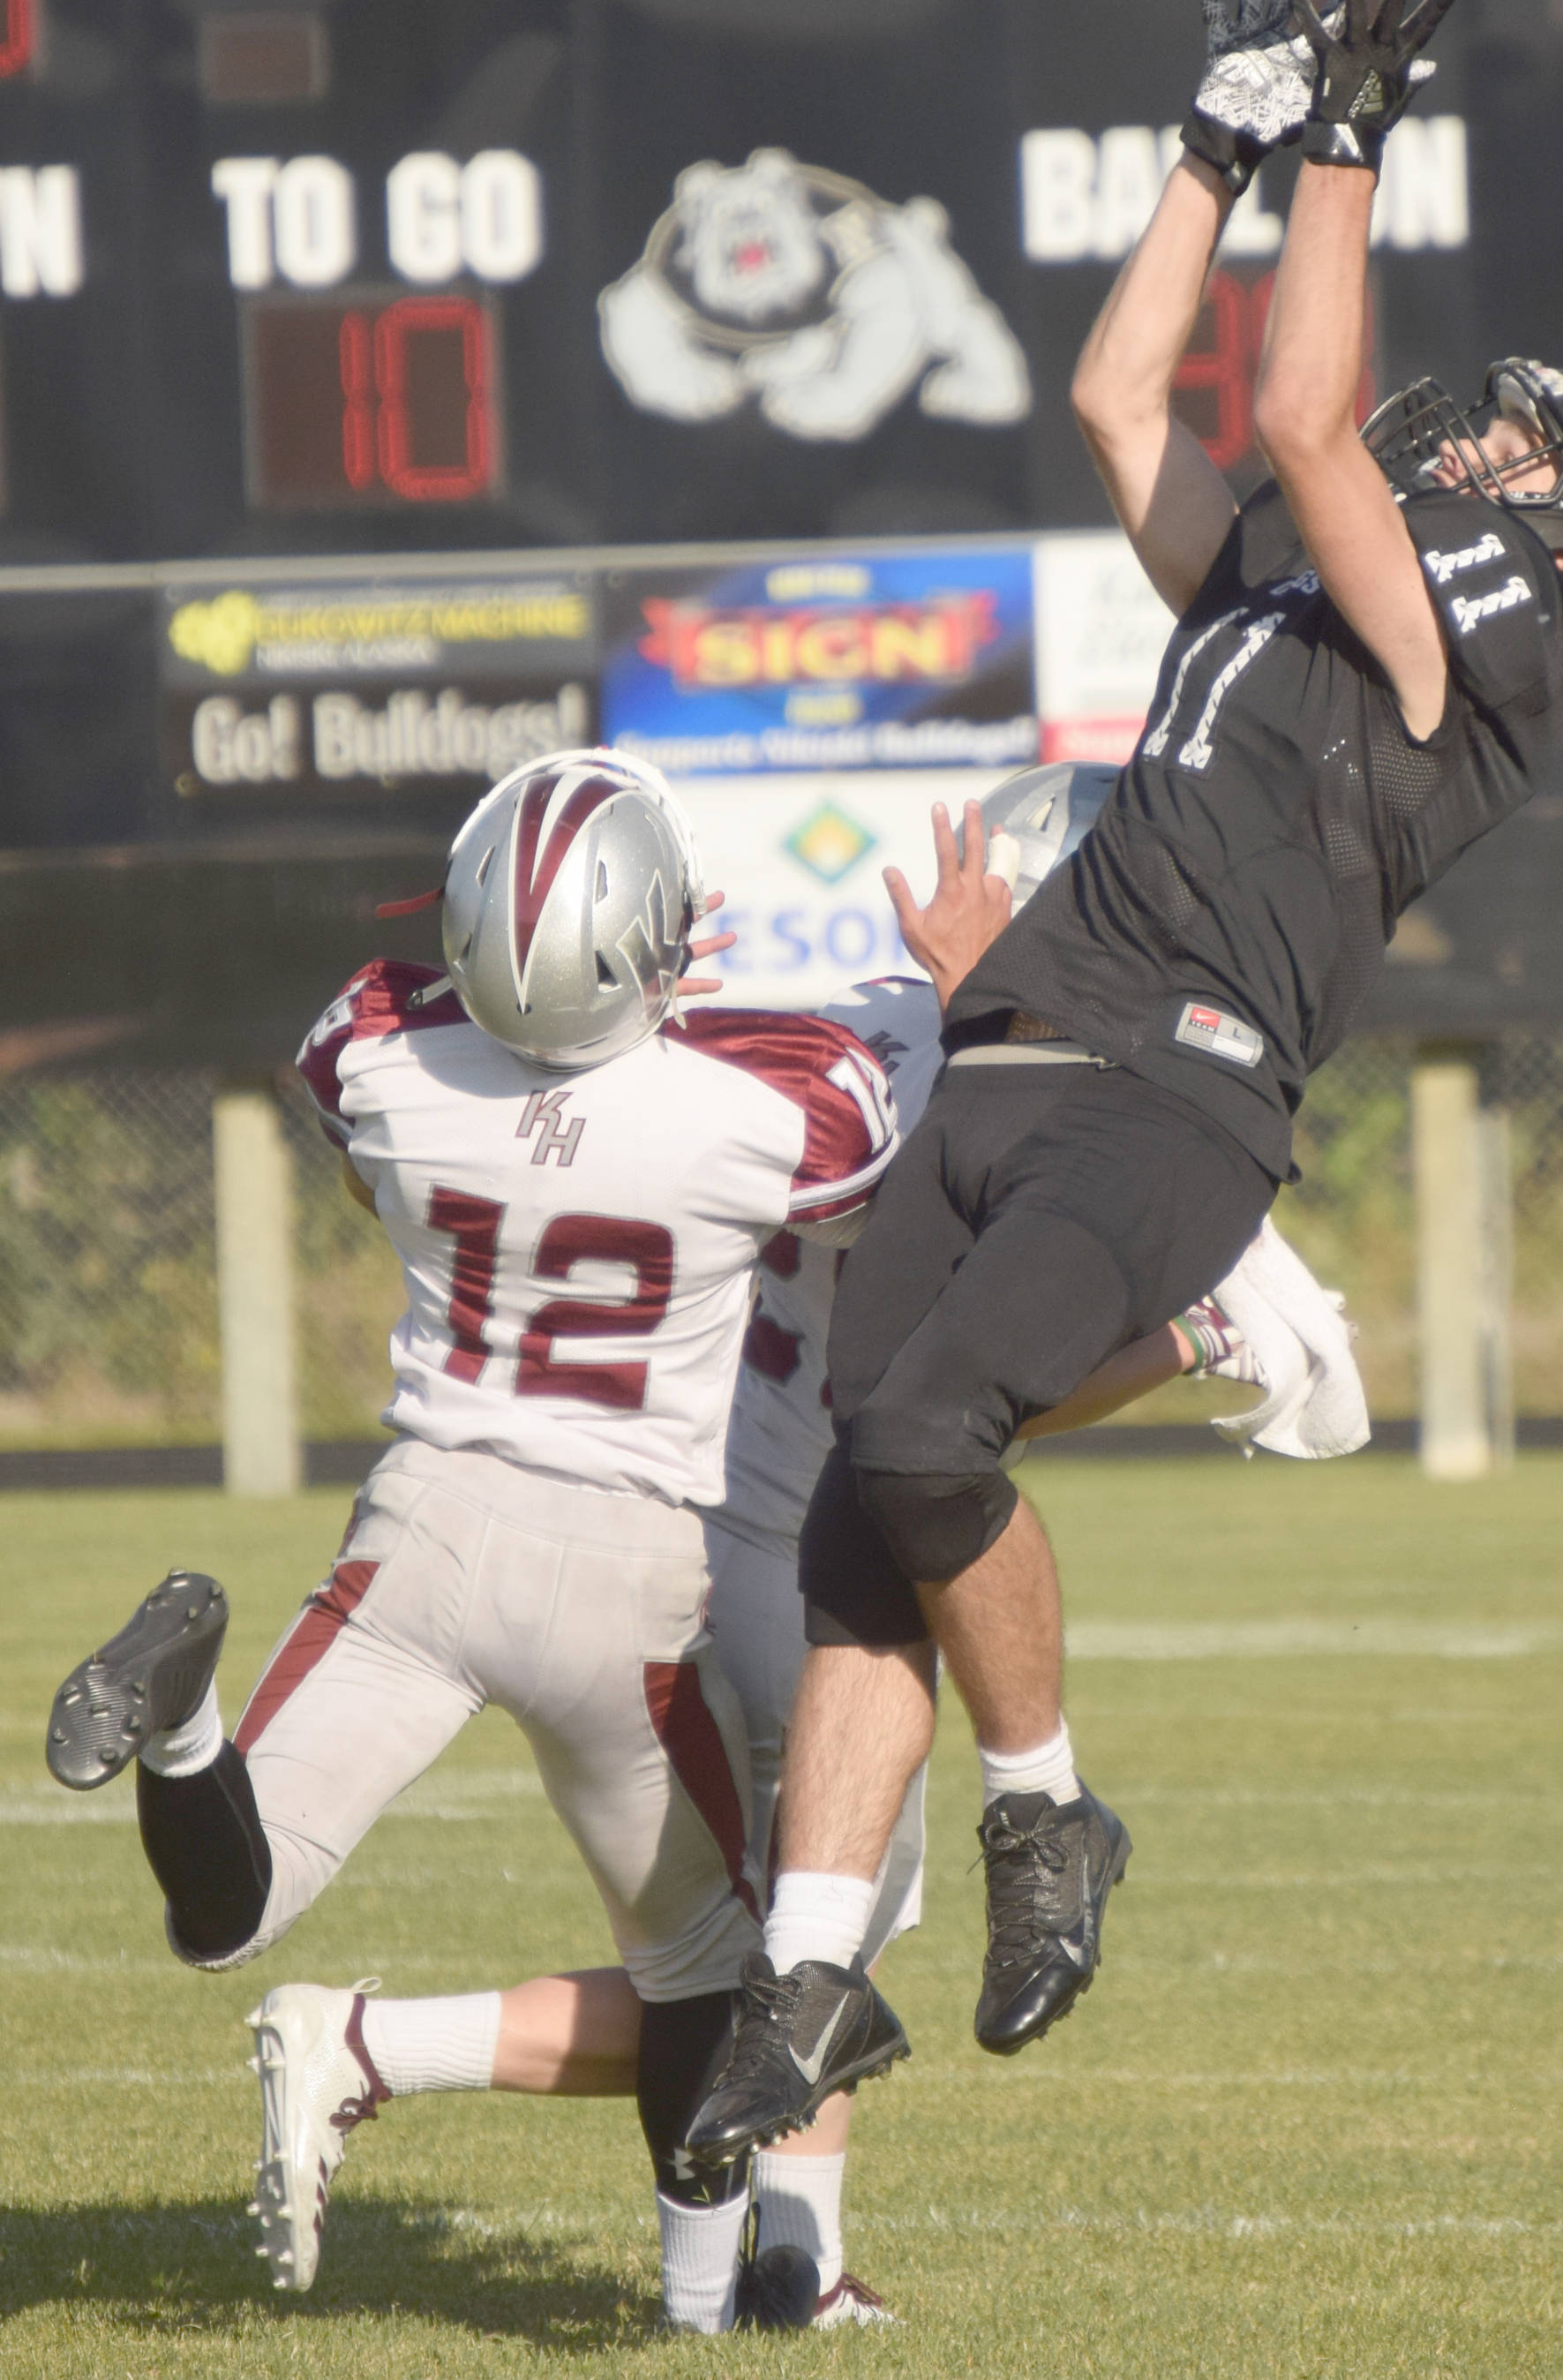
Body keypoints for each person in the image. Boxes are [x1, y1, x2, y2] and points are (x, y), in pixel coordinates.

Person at [683, 0, 1563, 2168]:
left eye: (1529, 442)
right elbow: (1115, 394)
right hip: (1023, 1042)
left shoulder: (1491, 656)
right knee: (873, 1493)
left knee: (933, 1424)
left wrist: (1341, 142)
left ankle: (1051, 1815)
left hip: (1181, 1090)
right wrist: (1214, 143)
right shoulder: (1281, 593)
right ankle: (800, 1988)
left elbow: (1301, 420)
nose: (1486, 430)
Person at [237, 765, 1368, 2324]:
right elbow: (995, 1399)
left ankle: (789, 2266)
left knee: (792, 1946)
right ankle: (372, 2050)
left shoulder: (836, 1040)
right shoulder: (990, 1091)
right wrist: (1188, 1332)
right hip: (778, 1552)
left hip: (686, 1504)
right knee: (802, 1961)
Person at [41, 746, 903, 2333]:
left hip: (422, 1530)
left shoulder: (377, 1053)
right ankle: (701, 2316)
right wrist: (672, 1005)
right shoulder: (762, 1101)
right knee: (708, 1974)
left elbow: (391, 1034)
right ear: (646, 939)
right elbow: (845, 1136)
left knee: (224, 1912)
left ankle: (183, 1730)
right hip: (629, 1569)